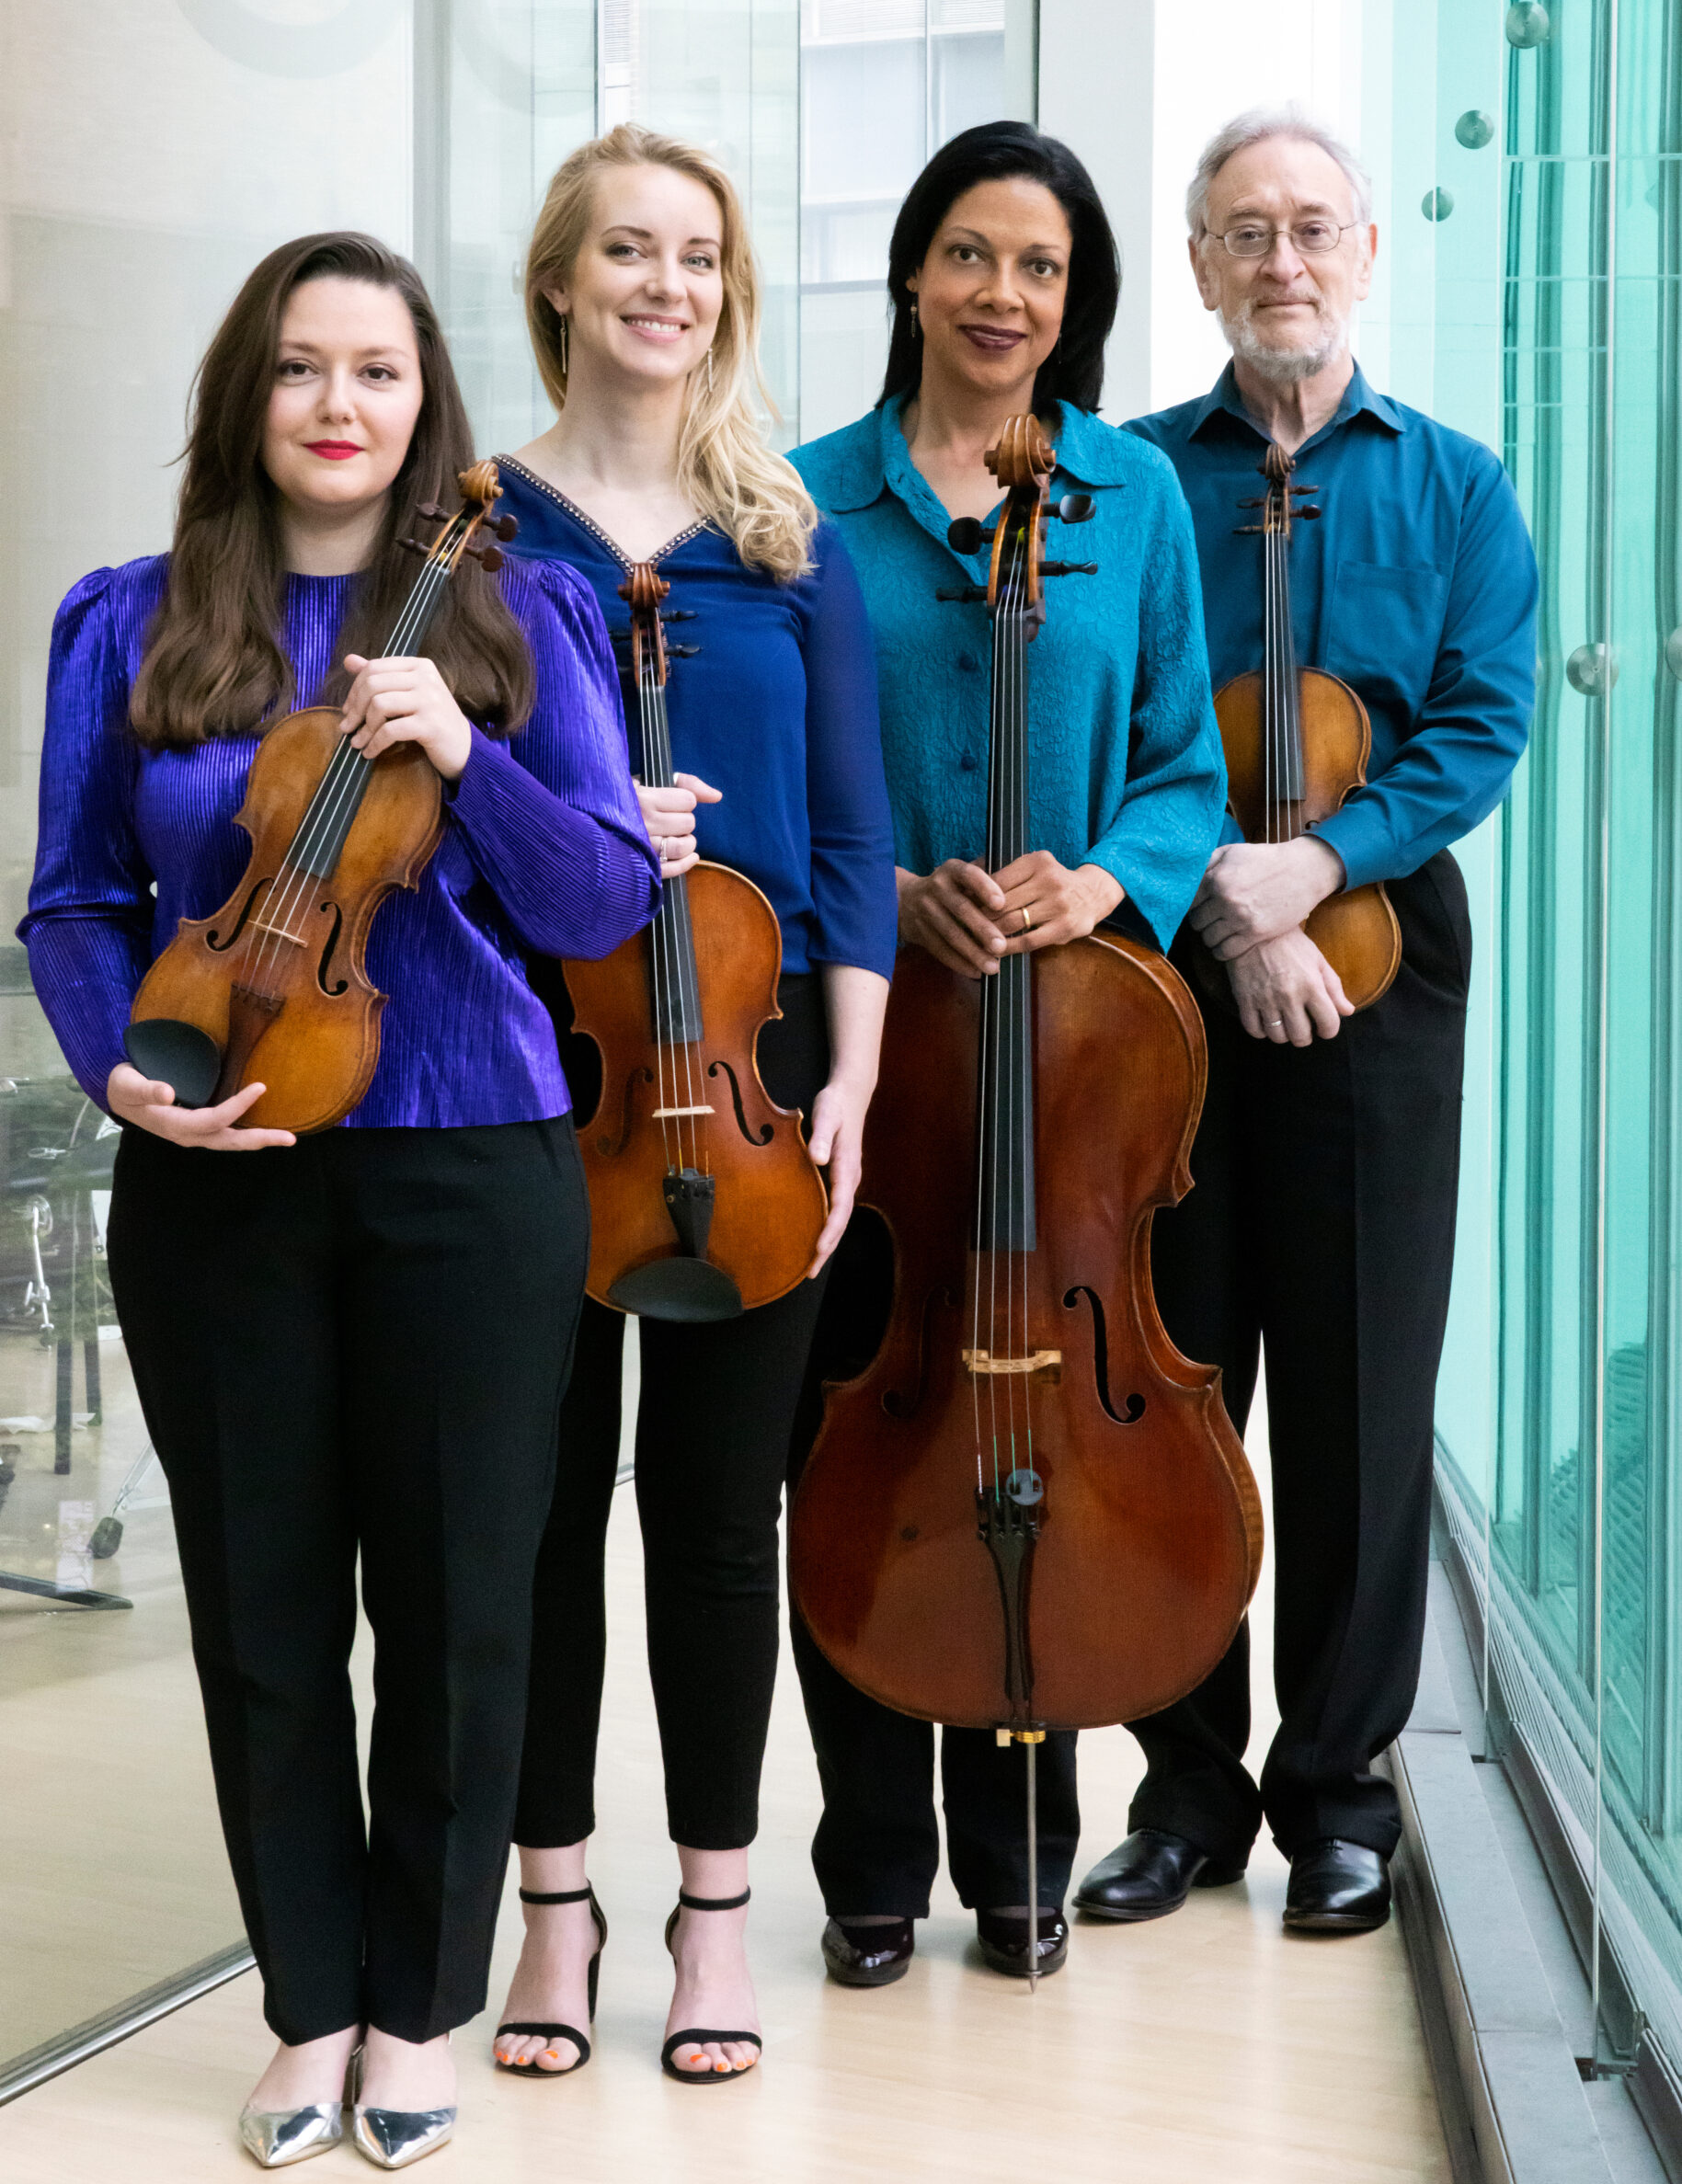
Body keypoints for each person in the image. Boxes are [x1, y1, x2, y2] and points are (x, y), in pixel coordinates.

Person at [19, 232, 658, 2170]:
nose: (337, 405)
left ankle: (419, 2004)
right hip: (222, 1167)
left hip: (474, 1165)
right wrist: (114, 1059)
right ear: (249, 395)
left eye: (375, 372)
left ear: (422, 404)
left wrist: (466, 755)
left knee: (466, 1607)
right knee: (266, 1609)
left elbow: (605, 901)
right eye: (302, 369)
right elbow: (74, 897)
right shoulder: (126, 618)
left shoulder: (519, 614)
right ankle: (307, 1999)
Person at [1072, 107, 1538, 1938]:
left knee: (1358, 1392)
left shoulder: (1460, 487)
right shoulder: (1123, 481)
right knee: (1173, 1378)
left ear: (1366, 252)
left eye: (1314, 228)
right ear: (1199, 262)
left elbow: (1478, 727)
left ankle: (1342, 1791)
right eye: (1245, 230)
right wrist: (1218, 893)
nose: (1283, 260)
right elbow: (1100, 722)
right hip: (1166, 980)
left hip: (1384, 972)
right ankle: (1183, 1782)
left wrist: (1316, 865)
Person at [787, 120, 1227, 1987]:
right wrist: (886, 893)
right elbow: (775, 783)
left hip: (1074, 1063)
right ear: (911, 272)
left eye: (1039, 268)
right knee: (865, 1441)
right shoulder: (803, 501)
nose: (1001, 295)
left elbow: (1188, 771)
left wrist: (1099, 881)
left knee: (1046, 1424)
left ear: (1076, 301)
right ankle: (875, 1854)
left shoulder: (1133, 496)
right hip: (869, 1059)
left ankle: (1024, 1843)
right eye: (970, 254)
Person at [486, 125, 897, 2084]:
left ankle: (716, 1906)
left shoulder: (788, 542)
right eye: (628, 252)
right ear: (559, 281)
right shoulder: (475, 532)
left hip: (763, 1089)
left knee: (723, 1516)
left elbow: (849, 836)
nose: (669, 284)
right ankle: (551, 1902)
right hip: (540, 1089)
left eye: (701, 258)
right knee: (542, 1511)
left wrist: (858, 1089)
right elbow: (428, 832)